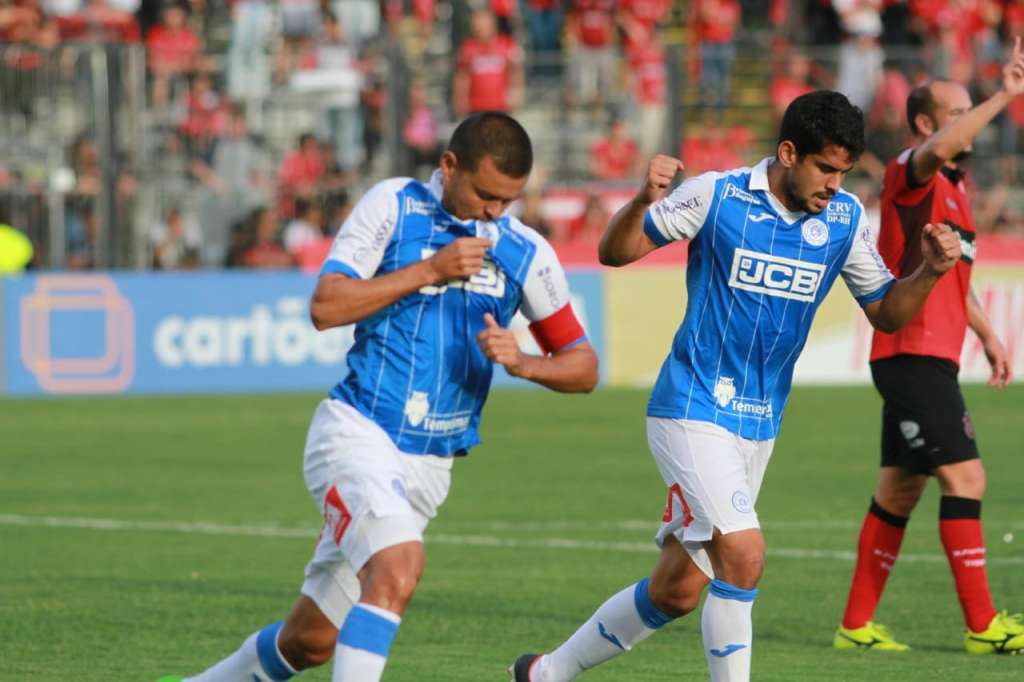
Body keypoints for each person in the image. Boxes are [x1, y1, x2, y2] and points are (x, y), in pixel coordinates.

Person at [508, 90, 962, 682]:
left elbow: (887, 312)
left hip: (758, 424)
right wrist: (644, 200)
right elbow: (615, 252)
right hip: (691, 406)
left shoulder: (845, 219)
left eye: (844, 171)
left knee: (676, 590)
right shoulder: (717, 195)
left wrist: (929, 271)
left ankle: (543, 674)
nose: (834, 183)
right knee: (744, 556)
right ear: (788, 152)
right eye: (825, 168)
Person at [159, 112, 599, 682]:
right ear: (449, 166)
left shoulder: (524, 251)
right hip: (358, 434)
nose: (495, 210)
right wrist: (429, 270)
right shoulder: (395, 206)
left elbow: (584, 367)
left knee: (311, 640)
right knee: (398, 568)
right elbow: (326, 306)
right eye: (486, 194)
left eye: (508, 200)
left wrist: (525, 363)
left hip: (430, 467)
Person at [833, 41, 1023, 655]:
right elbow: (938, 149)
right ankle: (982, 625)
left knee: (899, 490)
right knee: (966, 476)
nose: (973, 119)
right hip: (910, 355)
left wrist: (989, 335)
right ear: (923, 123)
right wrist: (1005, 94)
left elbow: (952, 281)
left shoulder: (953, 187)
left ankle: (854, 627)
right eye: (959, 109)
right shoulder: (908, 172)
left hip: (928, 354)